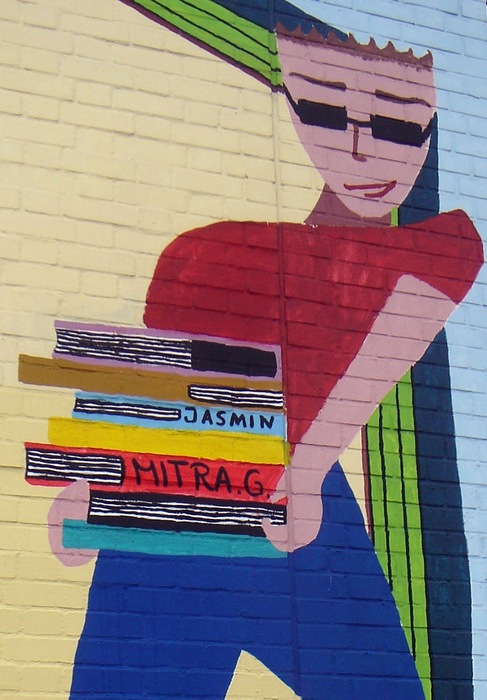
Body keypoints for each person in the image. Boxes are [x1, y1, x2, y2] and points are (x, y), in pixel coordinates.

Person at [64, 26, 482, 699]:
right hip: (177, 482)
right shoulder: (207, 251)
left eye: (397, 121)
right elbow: (170, 378)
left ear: (431, 120)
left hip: (286, 488)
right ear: (291, 104)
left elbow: (381, 355)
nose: (360, 147)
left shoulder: (441, 249)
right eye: (325, 110)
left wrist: (307, 472)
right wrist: (94, 483)